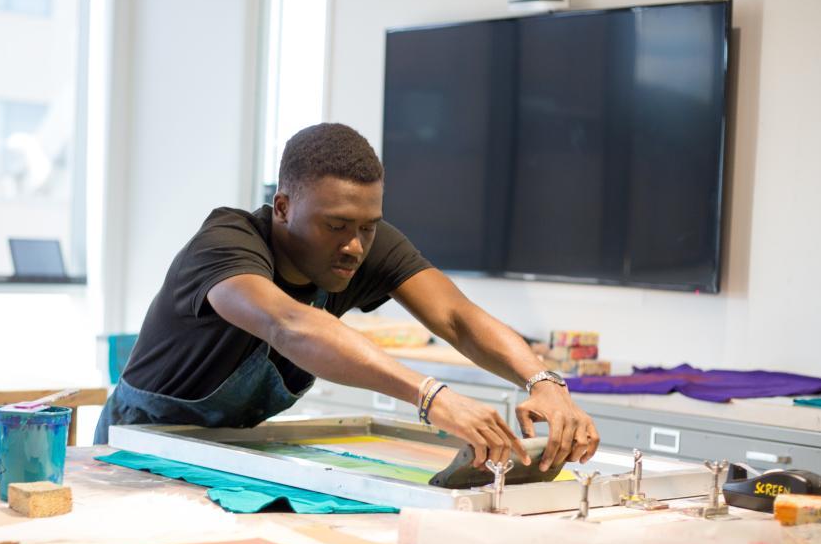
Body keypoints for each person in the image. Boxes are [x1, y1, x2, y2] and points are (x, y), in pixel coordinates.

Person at [95, 123, 598, 471]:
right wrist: (432, 397)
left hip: (229, 453)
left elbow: (456, 316)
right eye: (335, 225)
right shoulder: (225, 245)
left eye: (367, 227)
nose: (354, 245)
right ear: (284, 207)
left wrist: (544, 381)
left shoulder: (360, 245)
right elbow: (288, 325)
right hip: (135, 449)